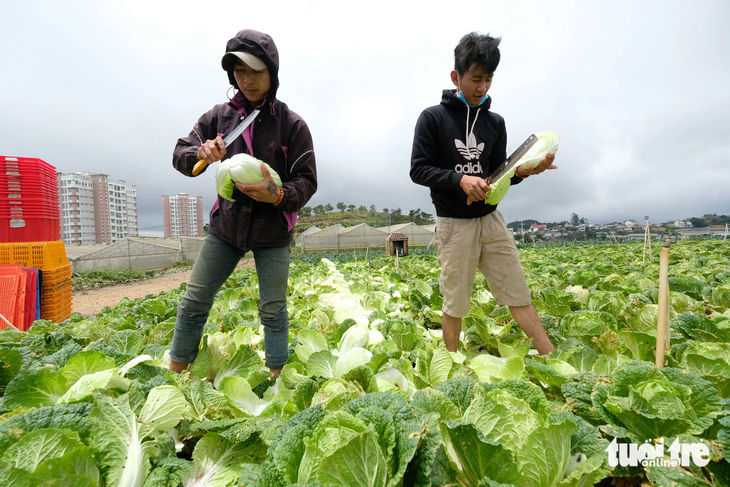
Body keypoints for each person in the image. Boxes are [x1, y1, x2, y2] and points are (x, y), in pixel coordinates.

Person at [169, 29, 317, 377]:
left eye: (255, 71)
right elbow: (180, 154)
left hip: (273, 231)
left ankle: (275, 380)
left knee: (273, 309)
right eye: (239, 72)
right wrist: (199, 153)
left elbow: (307, 181)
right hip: (226, 228)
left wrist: (279, 195)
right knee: (194, 301)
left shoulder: (292, 125)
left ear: (272, 72)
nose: (247, 80)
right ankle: (175, 375)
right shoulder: (219, 117)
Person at [410, 32, 555, 355]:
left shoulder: (495, 123)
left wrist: (522, 172)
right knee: (455, 298)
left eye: (488, 79)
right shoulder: (433, 119)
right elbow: (418, 169)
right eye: (475, 79)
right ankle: (450, 362)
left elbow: (497, 179)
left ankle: (550, 355)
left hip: (491, 220)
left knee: (516, 288)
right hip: (454, 224)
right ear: (455, 77)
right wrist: (459, 180)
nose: (482, 87)